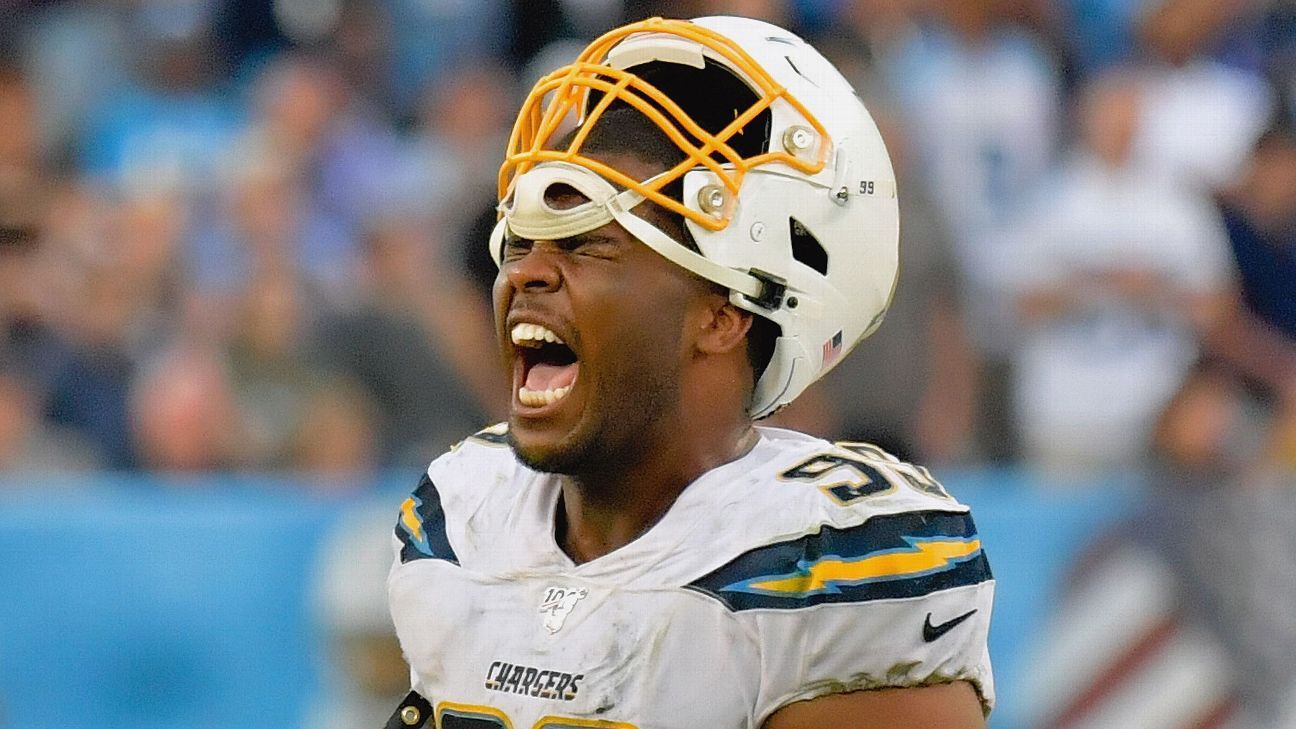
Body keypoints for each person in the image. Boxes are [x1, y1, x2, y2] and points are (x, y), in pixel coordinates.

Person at [384, 16, 993, 729]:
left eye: (589, 245)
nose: (527, 274)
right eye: (520, 240)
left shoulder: (827, 563)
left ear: (723, 315)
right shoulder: (465, 514)